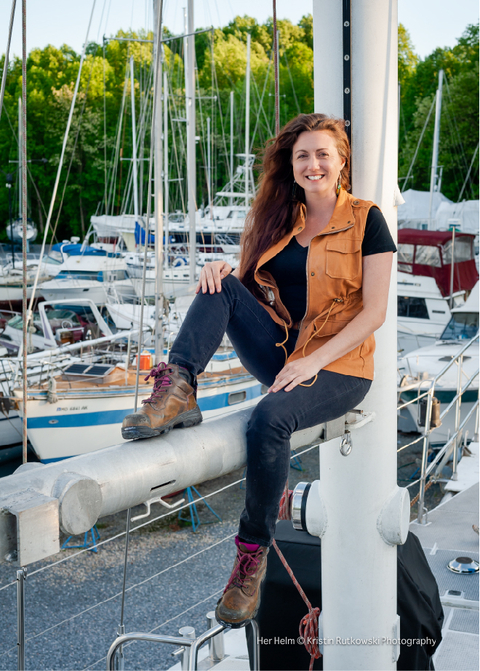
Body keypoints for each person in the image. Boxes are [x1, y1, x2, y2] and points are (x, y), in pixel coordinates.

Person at [122, 113, 396, 628]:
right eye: (302, 156)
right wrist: (220, 270)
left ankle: (250, 556)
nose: (313, 164)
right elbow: (248, 293)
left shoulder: (367, 219)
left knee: (268, 421)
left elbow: (374, 312)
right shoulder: (277, 218)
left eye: (322, 154)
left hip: (338, 365)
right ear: (290, 166)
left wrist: (313, 360)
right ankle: (179, 386)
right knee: (217, 284)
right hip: (282, 354)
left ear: (342, 161)